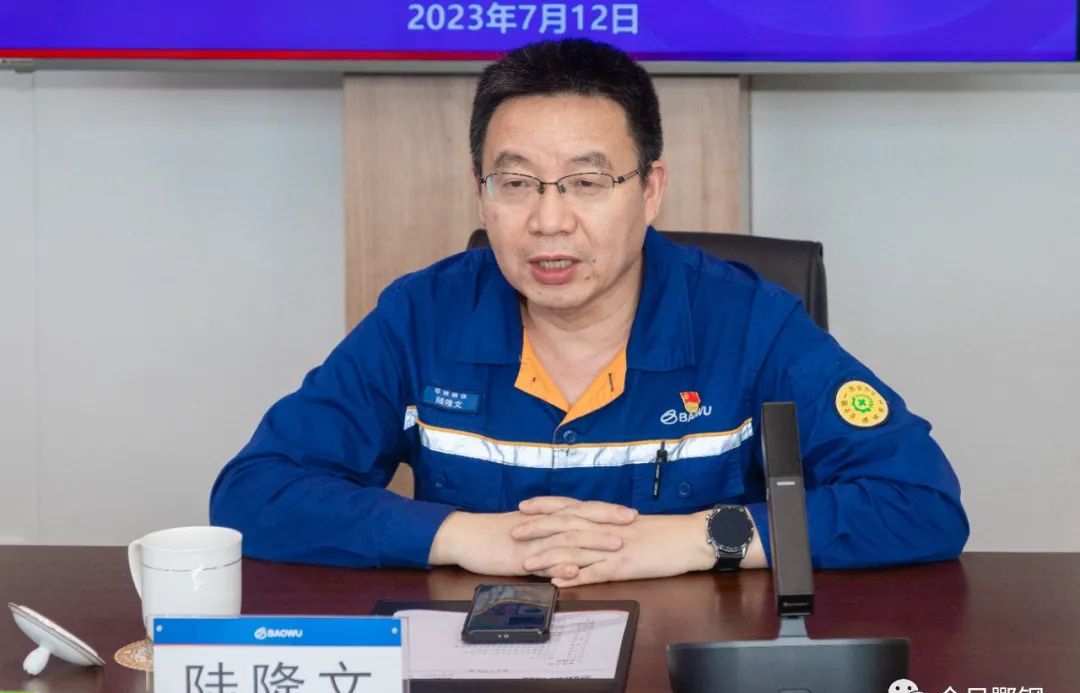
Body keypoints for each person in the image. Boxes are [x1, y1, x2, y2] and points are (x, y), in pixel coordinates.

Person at [210, 39, 968, 587]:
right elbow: (255, 493)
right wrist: (461, 535)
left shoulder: (750, 323)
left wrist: (701, 538)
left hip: (689, 684)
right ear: (482, 193)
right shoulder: (421, 316)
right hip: (480, 686)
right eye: (516, 184)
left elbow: (919, 503)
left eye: (587, 182)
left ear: (651, 189)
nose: (549, 222)